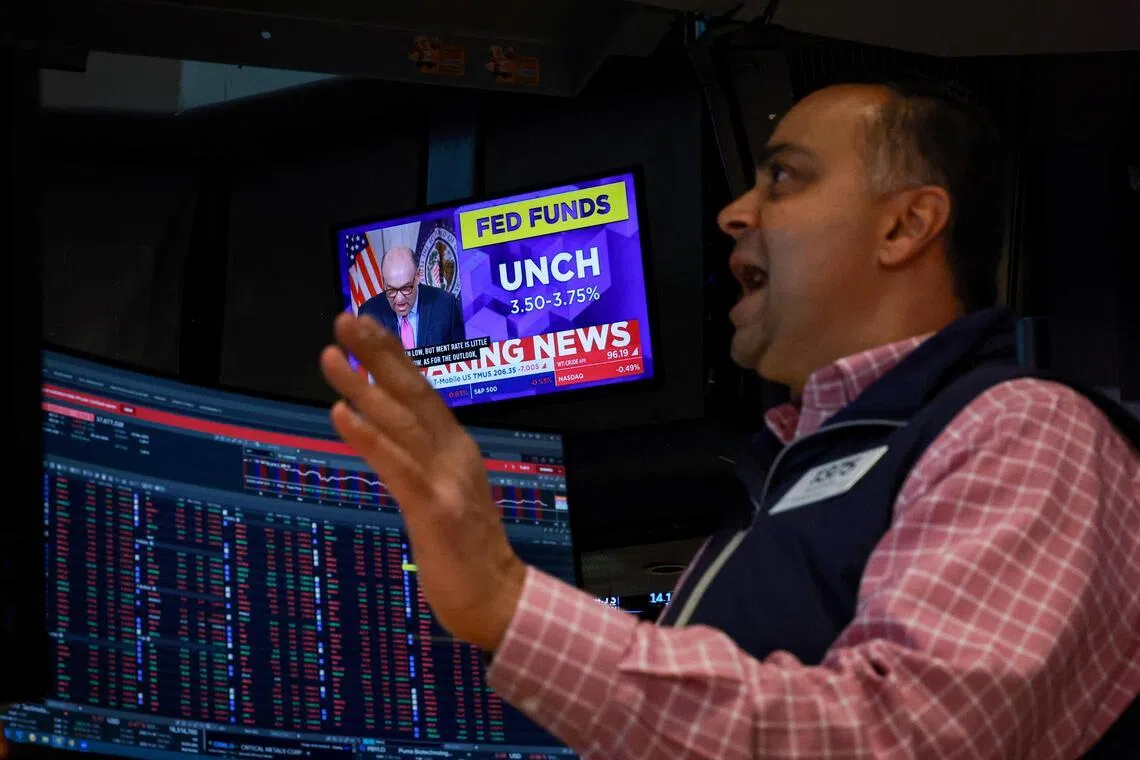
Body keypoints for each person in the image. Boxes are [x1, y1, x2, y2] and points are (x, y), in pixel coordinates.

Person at [318, 79, 1140, 759]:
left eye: (784, 178)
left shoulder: (1025, 431)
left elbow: (907, 741)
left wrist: (506, 600)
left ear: (907, 224)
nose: (735, 213)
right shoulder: (788, 475)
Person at [357, 245, 465, 350]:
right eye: (391, 290)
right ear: (383, 280)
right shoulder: (368, 314)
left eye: (406, 288)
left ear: (417, 275)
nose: (399, 299)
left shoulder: (445, 305)